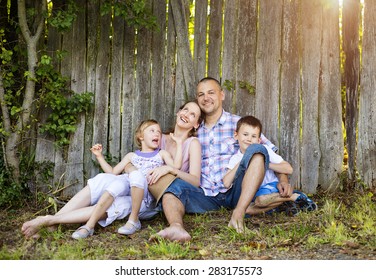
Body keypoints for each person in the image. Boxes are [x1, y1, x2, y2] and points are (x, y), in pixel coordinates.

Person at [21, 101, 203, 239]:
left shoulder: (191, 143)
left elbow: (193, 180)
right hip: (132, 182)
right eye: (185, 109)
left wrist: (166, 169)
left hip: (151, 195)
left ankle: (50, 221)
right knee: (103, 180)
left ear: (196, 124)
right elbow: (136, 160)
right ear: (178, 112)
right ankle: (54, 220)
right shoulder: (159, 136)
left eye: (193, 114)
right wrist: (130, 168)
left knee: (116, 205)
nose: (187, 114)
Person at [152, 77, 294, 242]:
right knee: (172, 186)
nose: (206, 98)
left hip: (236, 190)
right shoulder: (193, 128)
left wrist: (283, 179)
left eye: (211, 92)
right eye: (201, 94)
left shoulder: (240, 124)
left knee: (256, 149)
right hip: (204, 195)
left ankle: (238, 214)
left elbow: (267, 152)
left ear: (222, 95)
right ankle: (176, 227)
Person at [223, 115, 317, 215]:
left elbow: (288, 169)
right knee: (246, 210)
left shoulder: (264, 150)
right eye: (245, 134)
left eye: (253, 136)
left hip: (270, 187)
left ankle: (294, 196)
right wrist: (243, 161)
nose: (249, 139)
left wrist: (265, 164)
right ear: (236, 135)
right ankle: (284, 204)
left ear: (259, 140)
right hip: (254, 193)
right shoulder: (235, 158)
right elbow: (226, 183)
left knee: (260, 201)